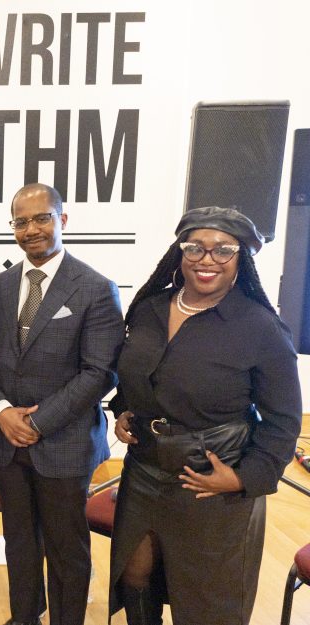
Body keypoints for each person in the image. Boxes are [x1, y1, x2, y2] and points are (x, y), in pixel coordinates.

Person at [107, 206, 301, 625]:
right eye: (195, 247)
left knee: (206, 600)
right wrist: (123, 409)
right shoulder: (149, 308)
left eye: (223, 249)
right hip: (144, 469)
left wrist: (244, 478)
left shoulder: (260, 327)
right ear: (180, 252)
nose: (206, 258)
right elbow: (135, 375)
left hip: (211, 479)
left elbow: (284, 420)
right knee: (135, 575)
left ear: (241, 258)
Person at [0, 183, 124, 625]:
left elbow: (100, 373)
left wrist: (38, 424)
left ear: (63, 220)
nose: (31, 230)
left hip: (65, 443)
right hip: (6, 443)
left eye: (42, 218)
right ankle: (24, 617)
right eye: (21, 222)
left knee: (66, 550)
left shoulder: (96, 288)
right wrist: (1, 412)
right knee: (19, 542)